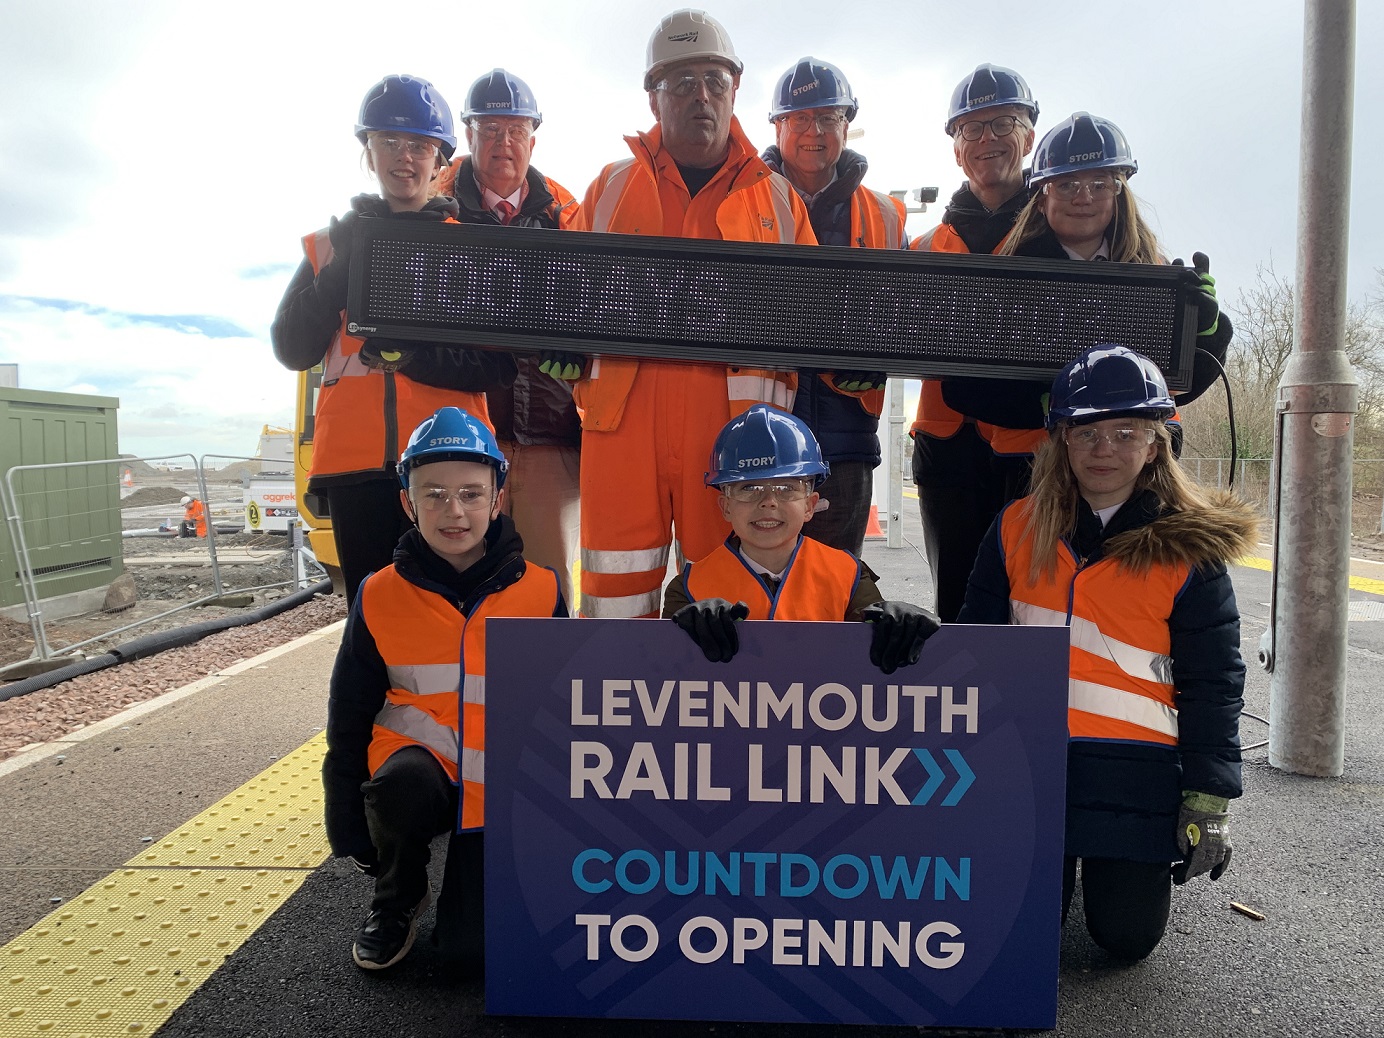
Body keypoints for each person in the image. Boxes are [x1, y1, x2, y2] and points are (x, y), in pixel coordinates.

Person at [958, 345, 1255, 960]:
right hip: (1029, 765)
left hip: (1136, 775)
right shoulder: (1016, 526)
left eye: (1126, 432)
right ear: (1060, 440)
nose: (1104, 449)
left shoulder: (1191, 549)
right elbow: (974, 645)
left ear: (1155, 444)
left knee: (1125, 939)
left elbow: (1214, 682)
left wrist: (1208, 798)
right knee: (1024, 934)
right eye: (1086, 431)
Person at [558, 9, 816, 620]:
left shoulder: (779, 203)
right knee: (616, 600)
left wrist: (851, 364)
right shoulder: (608, 189)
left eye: (713, 81)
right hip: (622, 430)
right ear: (654, 97)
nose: (701, 97)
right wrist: (558, 346)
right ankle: (621, 712)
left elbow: (814, 317)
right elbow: (561, 298)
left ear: (734, 89)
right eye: (681, 83)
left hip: (741, 445)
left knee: (735, 606)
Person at [321, 406, 567, 972]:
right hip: (419, 767)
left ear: (496, 499)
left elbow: (563, 704)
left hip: (505, 776)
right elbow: (349, 708)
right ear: (408, 502)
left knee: (468, 953)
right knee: (400, 788)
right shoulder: (378, 594)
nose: (453, 511)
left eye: (470, 493)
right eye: (433, 494)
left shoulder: (545, 592)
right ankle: (397, 901)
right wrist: (346, 813)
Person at [270, 74, 516, 606]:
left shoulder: (472, 249)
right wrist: (341, 270)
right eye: (389, 142)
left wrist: (416, 359)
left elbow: (499, 367)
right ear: (368, 150)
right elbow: (292, 348)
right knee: (374, 621)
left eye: (420, 145)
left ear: (441, 158)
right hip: (357, 470)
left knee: (458, 614)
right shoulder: (327, 246)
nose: (404, 158)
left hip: (450, 462)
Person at [434, 69, 583, 605]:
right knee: (461, 584)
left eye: (516, 130)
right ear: (468, 135)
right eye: (490, 128)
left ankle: (550, 690)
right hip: (462, 437)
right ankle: (467, 691)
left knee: (547, 587)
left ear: (534, 138)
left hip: (551, 437)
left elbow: (598, 309)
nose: (504, 142)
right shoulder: (434, 212)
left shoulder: (569, 214)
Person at [908, 63, 1041, 623]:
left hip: (1037, 447)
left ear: (1029, 135)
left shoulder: (1060, 231)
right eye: (971, 129)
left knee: (1036, 601)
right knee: (961, 607)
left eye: (1002, 123)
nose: (987, 140)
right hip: (948, 450)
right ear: (956, 149)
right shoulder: (921, 249)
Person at [664, 405, 938, 673]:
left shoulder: (849, 576)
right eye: (749, 488)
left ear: (810, 505)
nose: (768, 502)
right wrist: (681, 637)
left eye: (786, 487)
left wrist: (900, 626)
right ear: (725, 506)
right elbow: (666, 675)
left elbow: (877, 652)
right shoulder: (688, 590)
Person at [760, 57, 908, 557]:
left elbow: (903, 317)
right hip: (758, 442)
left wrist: (878, 358)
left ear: (847, 124)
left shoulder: (885, 215)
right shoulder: (741, 203)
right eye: (799, 119)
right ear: (778, 127)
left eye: (828, 117)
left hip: (846, 446)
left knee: (835, 596)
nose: (814, 131)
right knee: (755, 600)